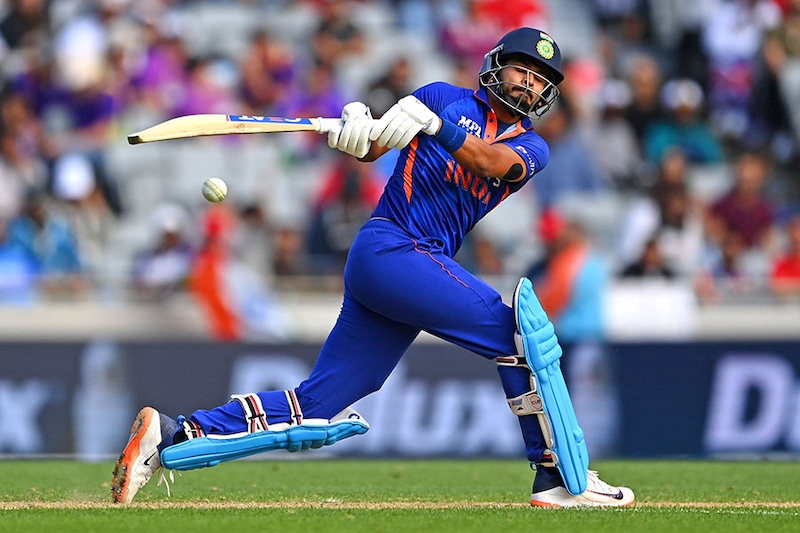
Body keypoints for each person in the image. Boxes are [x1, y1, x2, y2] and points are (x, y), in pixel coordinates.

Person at [111, 27, 634, 509]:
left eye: (540, 79)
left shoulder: (531, 145)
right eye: (523, 69)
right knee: (519, 335)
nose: (529, 83)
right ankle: (561, 478)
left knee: (317, 405)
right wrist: (358, 130)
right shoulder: (440, 97)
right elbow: (376, 145)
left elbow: (491, 163)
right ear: (497, 64)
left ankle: (174, 434)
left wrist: (440, 130)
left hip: (409, 267)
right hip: (393, 248)